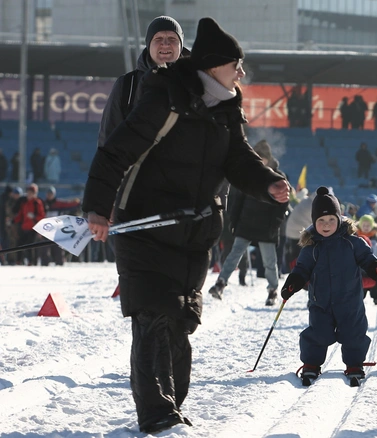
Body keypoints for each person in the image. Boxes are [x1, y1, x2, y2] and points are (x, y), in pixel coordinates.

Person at [82, 17, 290, 434]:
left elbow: (238, 158)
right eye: (237, 64)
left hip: (193, 233)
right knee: (152, 316)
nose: (242, 73)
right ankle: (158, 415)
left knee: (180, 321)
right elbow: (114, 152)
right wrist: (97, 210)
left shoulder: (227, 107)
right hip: (144, 225)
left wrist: (268, 182)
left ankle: (172, 408)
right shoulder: (165, 96)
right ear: (215, 66)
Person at [279, 187, 377, 384]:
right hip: (320, 301)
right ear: (314, 222)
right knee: (318, 332)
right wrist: (293, 282)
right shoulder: (311, 247)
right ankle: (311, 364)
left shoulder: (353, 243)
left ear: (339, 219)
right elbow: (302, 269)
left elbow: (366, 258)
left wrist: (376, 269)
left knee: (353, 333)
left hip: (350, 301)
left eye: (331, 220)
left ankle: (354, 364)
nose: (326, 225)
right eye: (321, 221)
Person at [208, 139, 289, 306]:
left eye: (262, 158)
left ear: (268, 158)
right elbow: (236, 199)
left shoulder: (278, 178)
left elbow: (282, 206)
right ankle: (220, 283)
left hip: (267, 226)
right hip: (246, 222)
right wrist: (234, 221)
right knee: (234, 255)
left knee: (269, 261)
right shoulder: (247, 175)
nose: (260, 161)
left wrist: (274, 225)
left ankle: (272, 290)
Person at [98, 16, 188, 151]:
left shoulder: (196, 84)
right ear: (148, 45)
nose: (165, 44)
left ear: (181, 46)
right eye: (158, 39)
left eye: (172, 39)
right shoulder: (127, 85)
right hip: (138, 169)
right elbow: (108, 137)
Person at [13, 183, 45, 265]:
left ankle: (31, 263)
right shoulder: (24, 203)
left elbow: (42, 216)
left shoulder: (37, 203)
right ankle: (18, 262)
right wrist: (13, 221)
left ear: (34, 194)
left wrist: (34, 217)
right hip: (24, 228)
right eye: (28, 192)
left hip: (33, 228)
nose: (29, 194)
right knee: (19, 244)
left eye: (31, 193)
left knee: (29, 246)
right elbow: (20, 215)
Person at [356, 214, 377, 305]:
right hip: (360, 265)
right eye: (364, 226)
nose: (366, 228)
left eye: (368, 226)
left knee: (376, 281)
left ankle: (376, 296)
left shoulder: (376, 238)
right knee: (361, 281)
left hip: (373, 264)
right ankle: (359, 297)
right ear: (360, 226)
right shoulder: (356, 237)